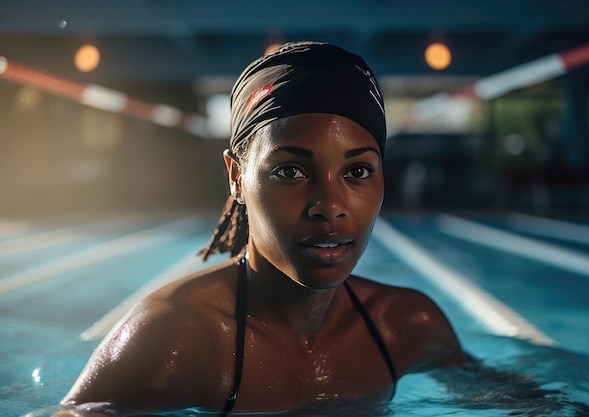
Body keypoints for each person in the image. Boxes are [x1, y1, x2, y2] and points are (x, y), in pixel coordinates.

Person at [58, 41, 464, 416]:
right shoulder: (177, 338)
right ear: (236, 176)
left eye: (357, 171)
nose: (330, 206)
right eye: (291, 170)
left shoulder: (407, 326)